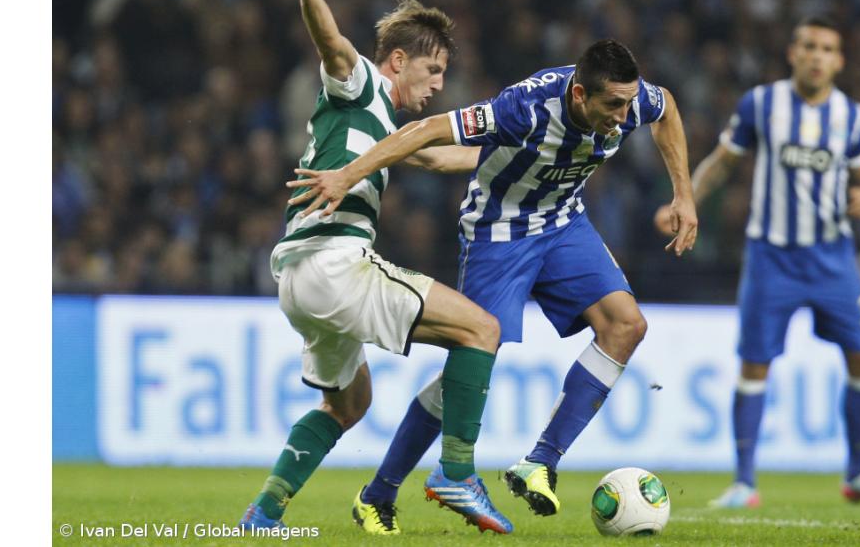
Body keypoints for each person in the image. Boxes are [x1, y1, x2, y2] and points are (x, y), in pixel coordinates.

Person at [286, 39, 698, 532]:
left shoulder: (631, 102)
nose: (624, 114)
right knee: (471, 361)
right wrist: (350, 172)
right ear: (580, 94)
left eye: (629, 102)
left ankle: (540, 462)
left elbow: (667, 106)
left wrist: (683, 194)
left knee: (627, 326)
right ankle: (380, 493)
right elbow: (426, 130)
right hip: (498, 232)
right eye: (612, 105)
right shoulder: (522, 107)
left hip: (564, 224)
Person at [239, 0, 513, 535]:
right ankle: (456, 473)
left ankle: (264, 513)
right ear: (395, 61)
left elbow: (442, 158)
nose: (440, 84)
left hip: (298, 276)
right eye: (432, 69)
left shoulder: (386, 129)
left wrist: (522, 156)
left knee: (347, 404)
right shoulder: (360, 84)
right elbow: (333, 47)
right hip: (336, 264)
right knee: (481, 330)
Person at [653, 16, 860, 508]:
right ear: (793, 53)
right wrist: (686, 200)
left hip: (833, 258)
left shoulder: (852, 116)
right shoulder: (761, 104)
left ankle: (857, 473)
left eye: (827, 48)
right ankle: (744, 483)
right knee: (755, 365)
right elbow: (724, 161)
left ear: (839, 60)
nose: (817, 55)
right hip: (771, 257)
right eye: (808, 46)